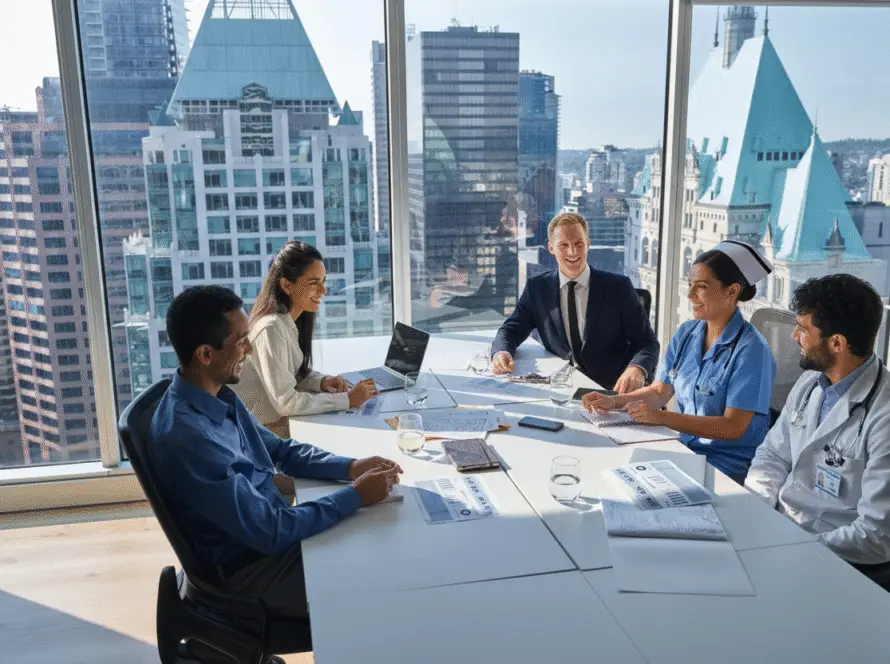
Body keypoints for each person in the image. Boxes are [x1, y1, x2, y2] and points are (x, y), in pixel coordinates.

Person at [150, 285, 402, 625]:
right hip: (251, 569)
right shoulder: (189, 439)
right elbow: (270, 531)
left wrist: (350, 467)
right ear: (205, 354)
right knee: (382, 570)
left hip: (268, 532)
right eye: (241, 340)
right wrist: (355, 496)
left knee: (380, 536)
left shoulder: (214, 393)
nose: (249, 348)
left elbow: (280, 449)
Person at [584, 241, 776, 482]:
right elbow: (659, 392)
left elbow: (733, 426)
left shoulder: (752, 351)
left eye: (701, 286)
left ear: (732, 291)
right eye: (690, 285)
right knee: (612, 472)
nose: (690, 295)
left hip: (724, 464)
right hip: (684, 451)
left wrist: (660, 417)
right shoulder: (687, 333)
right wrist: (614, 402)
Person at [745, 275, 890, 589]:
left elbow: (875, 536)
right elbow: (772, 456)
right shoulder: (811, 382)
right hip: (780, 534)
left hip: (840, 561)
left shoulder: (884, 417)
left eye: (803, 329)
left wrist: (794, 548)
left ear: (837, 343)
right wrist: (756, 513)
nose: (794, 336)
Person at [491, 211, 659, 393]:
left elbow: (647, 342)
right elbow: (511, 329)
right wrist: (502, 352)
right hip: (560, 388)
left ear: (588, 244)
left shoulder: (618, 287)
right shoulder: (537, 288)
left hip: (611, 390)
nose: (572, 252)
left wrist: (637, 369)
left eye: (579, 244)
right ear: (551, 248)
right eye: (563, 245)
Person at [233, 241, 377, 436]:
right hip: (265, 433)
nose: (323, 290)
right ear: (286, 285)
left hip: (280, 425)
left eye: (323, 281)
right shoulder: (270, 328)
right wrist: (347, 400)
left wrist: (322, 381)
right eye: (313, 283)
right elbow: (286, 402)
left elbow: (291, 375)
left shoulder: (287, 322)